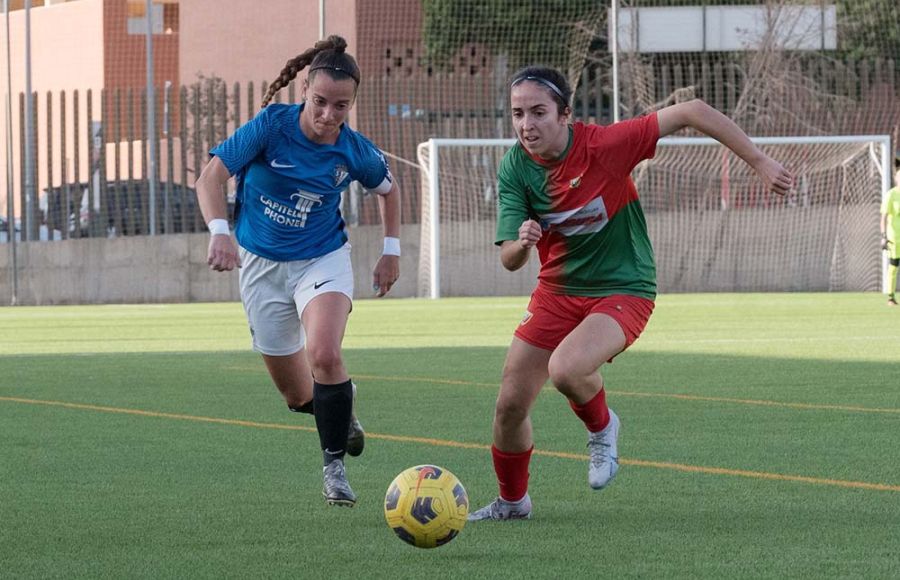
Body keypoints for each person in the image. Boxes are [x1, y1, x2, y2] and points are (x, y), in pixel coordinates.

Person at [468, 66, 793, 521]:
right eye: (518, 113)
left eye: (539, 112)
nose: (527, 125)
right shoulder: (515, 167)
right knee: (508, 405)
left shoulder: (604, 145)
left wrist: (758, 160)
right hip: (557, 292)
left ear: (565, 114)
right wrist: (521, 243)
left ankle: (603, 428)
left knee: (567, 368)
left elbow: (693, 111)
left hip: (624, 287)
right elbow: (508, 258)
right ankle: (513, 501)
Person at [195, 35, 401, 507]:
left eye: (341, 107)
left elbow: (389, 190)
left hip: (322, 258)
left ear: (352, 105)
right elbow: (210, 176)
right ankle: (341, 414)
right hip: (261, 266)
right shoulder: (270, 126)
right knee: (296, 394)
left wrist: (391, 251)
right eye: (320, 102)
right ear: (304, 90)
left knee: (325, 355)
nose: (329, 115)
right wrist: (219, 231)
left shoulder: (353, 150)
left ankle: (334, 471)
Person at [881, 168, 900, 306]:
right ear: (896, 179)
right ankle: (891, 297)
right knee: (893, 266)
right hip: (895, 238)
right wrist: (883, 236)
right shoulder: (891, 195)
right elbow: (884, 217)